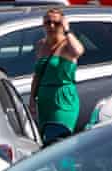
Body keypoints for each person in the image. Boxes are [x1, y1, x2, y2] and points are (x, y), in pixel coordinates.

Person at [30, 8, 84, 145]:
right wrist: (32, 98)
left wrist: (67, 31)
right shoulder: (41, 45)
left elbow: (78, 51)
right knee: (47, 143)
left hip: (63, 98)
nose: (51, 26)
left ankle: (68, 167)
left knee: (60, 140)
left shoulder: (67, 45)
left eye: (56, 23)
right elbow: (37, 74)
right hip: (44, 99)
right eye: (48, 23)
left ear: (63, 24)